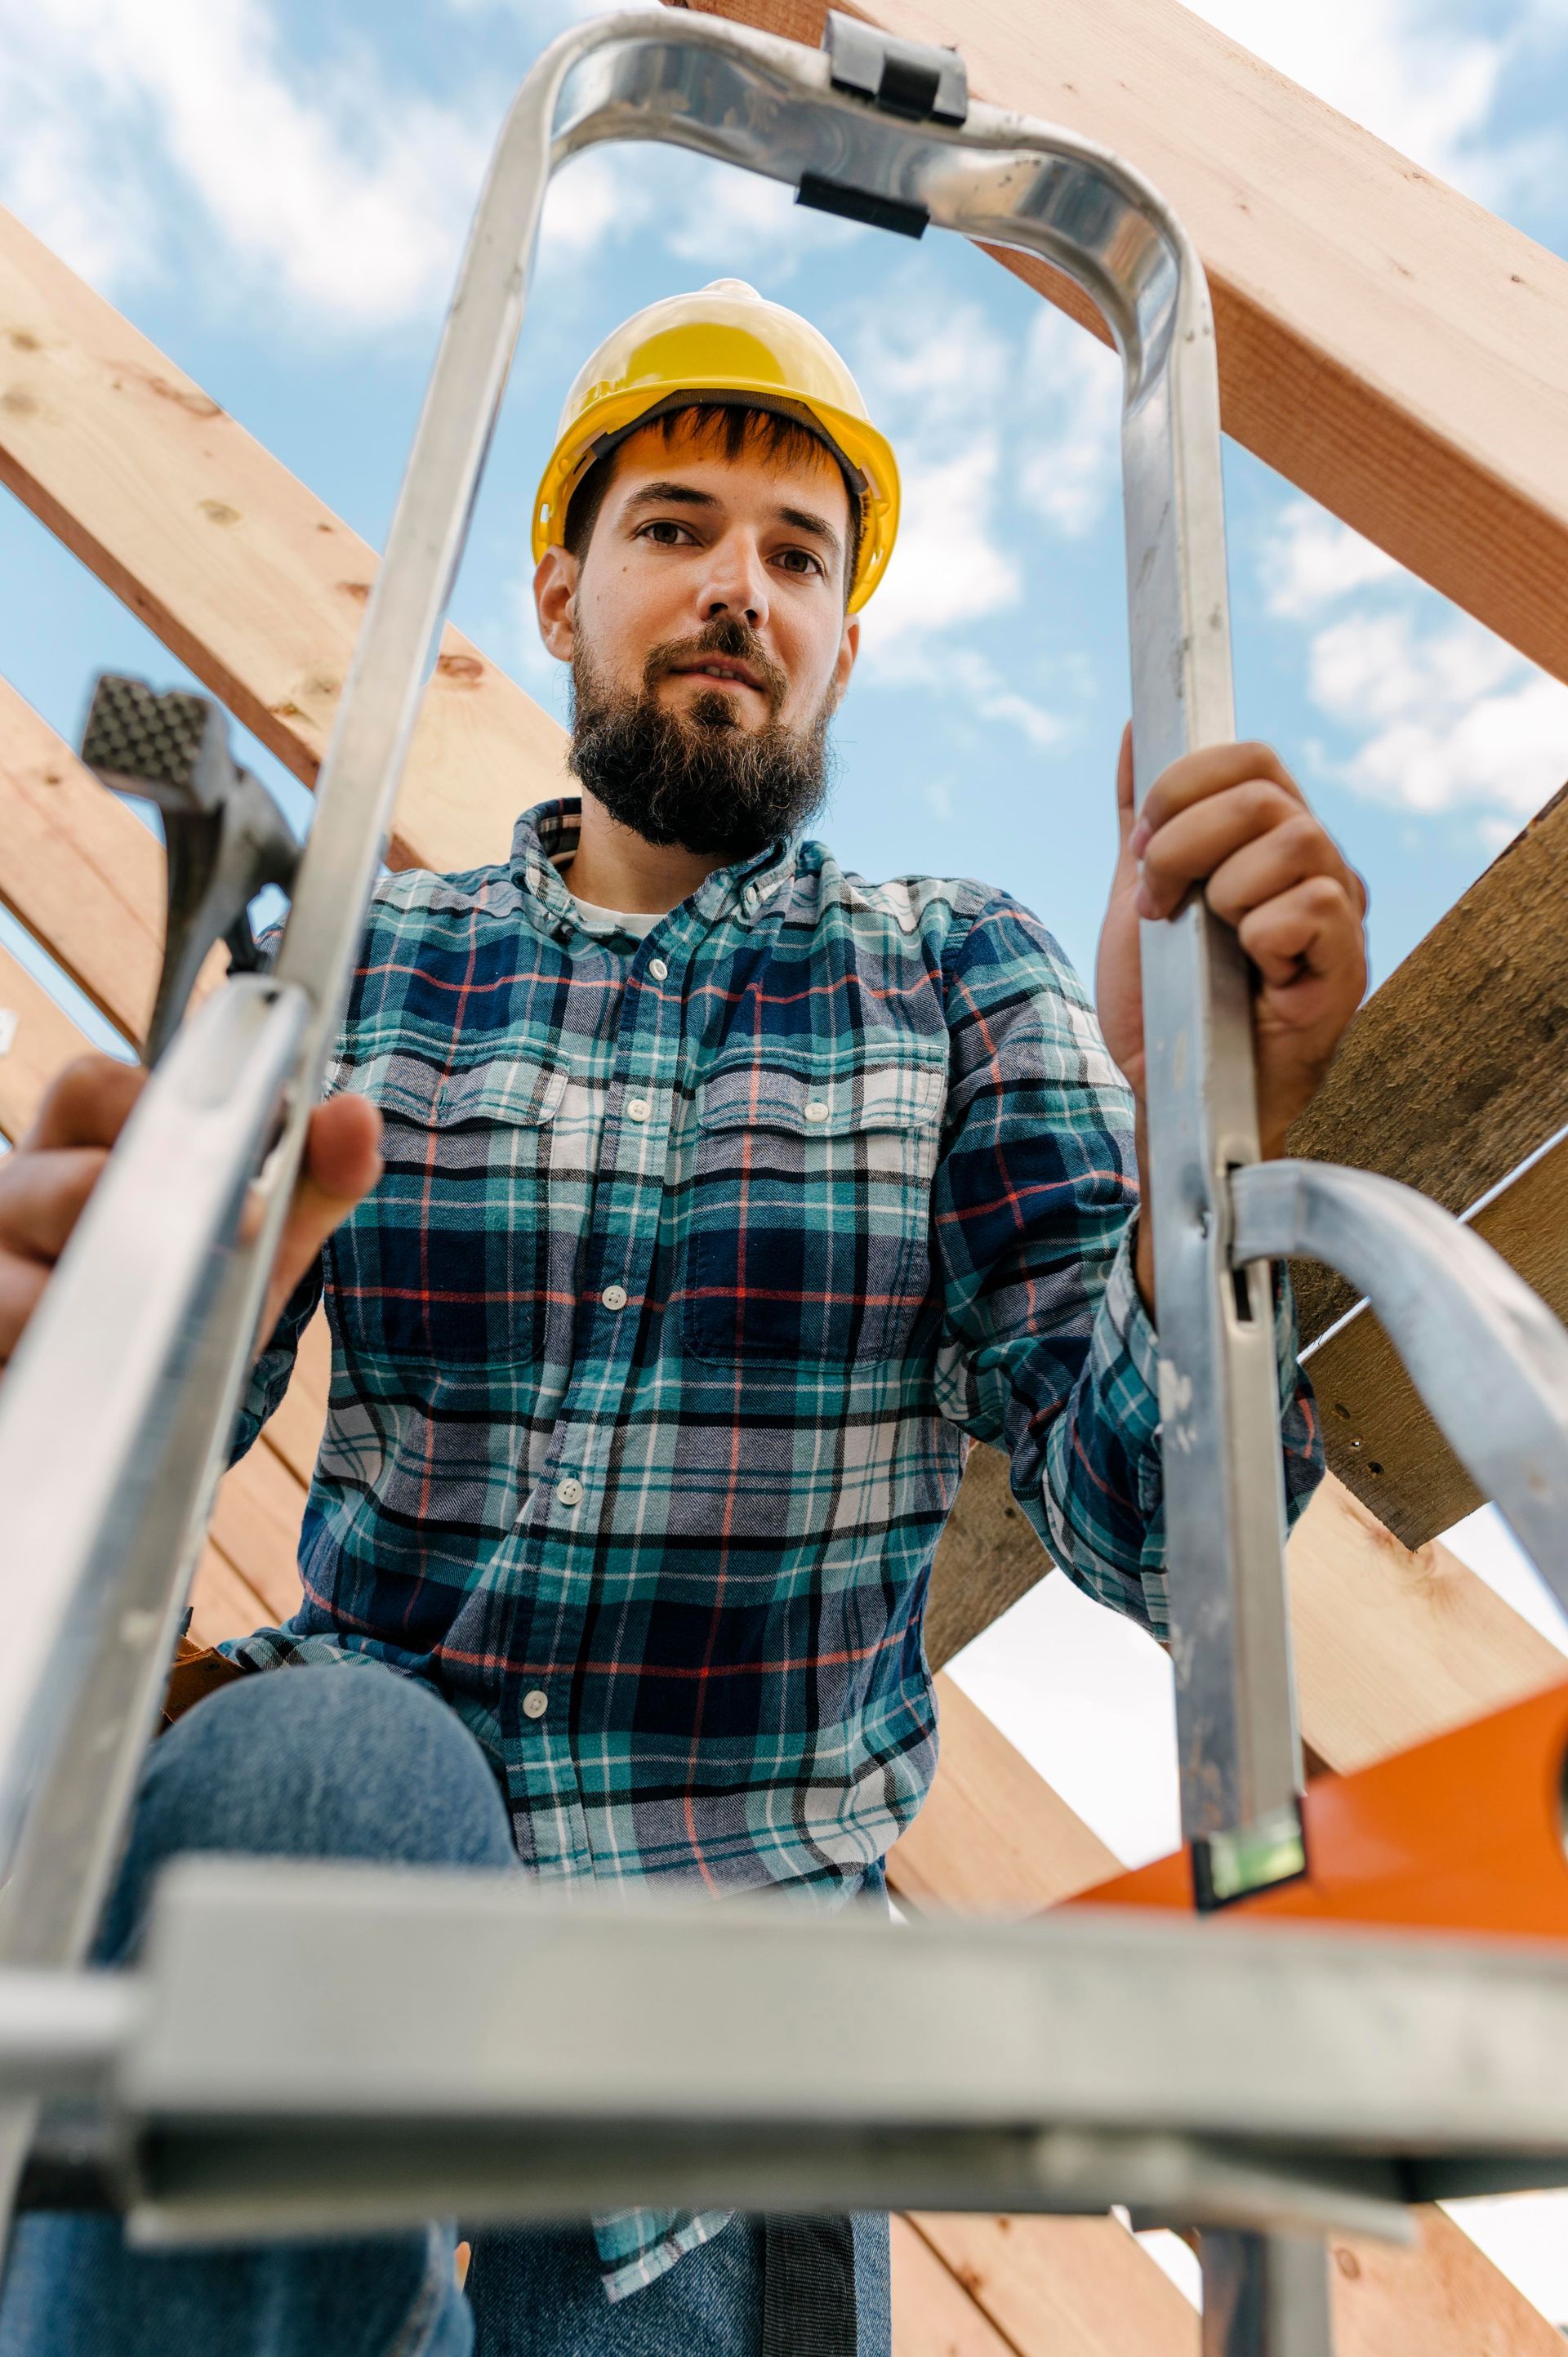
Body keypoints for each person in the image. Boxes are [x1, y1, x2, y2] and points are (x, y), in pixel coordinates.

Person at [0, 280, 1365, 2357]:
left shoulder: (953, 978)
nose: (739, 585)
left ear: (840, 640)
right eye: (675, 528)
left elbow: (1165, 1533)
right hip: (356, 1901)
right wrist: (86, 1354)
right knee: (321, 1764)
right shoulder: (375, 964)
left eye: (796, 556)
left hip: (727, 2050)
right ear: (562, 587)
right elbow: (118, 1477)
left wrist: (1210, 1150)